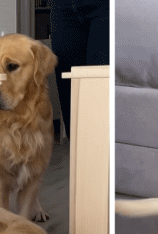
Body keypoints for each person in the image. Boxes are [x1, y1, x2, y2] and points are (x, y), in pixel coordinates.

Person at [50, 0, 109, 140]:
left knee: (99, 91)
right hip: (63, 7)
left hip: (105, 6)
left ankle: (101, 159)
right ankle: (81, 159)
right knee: (70, 96)